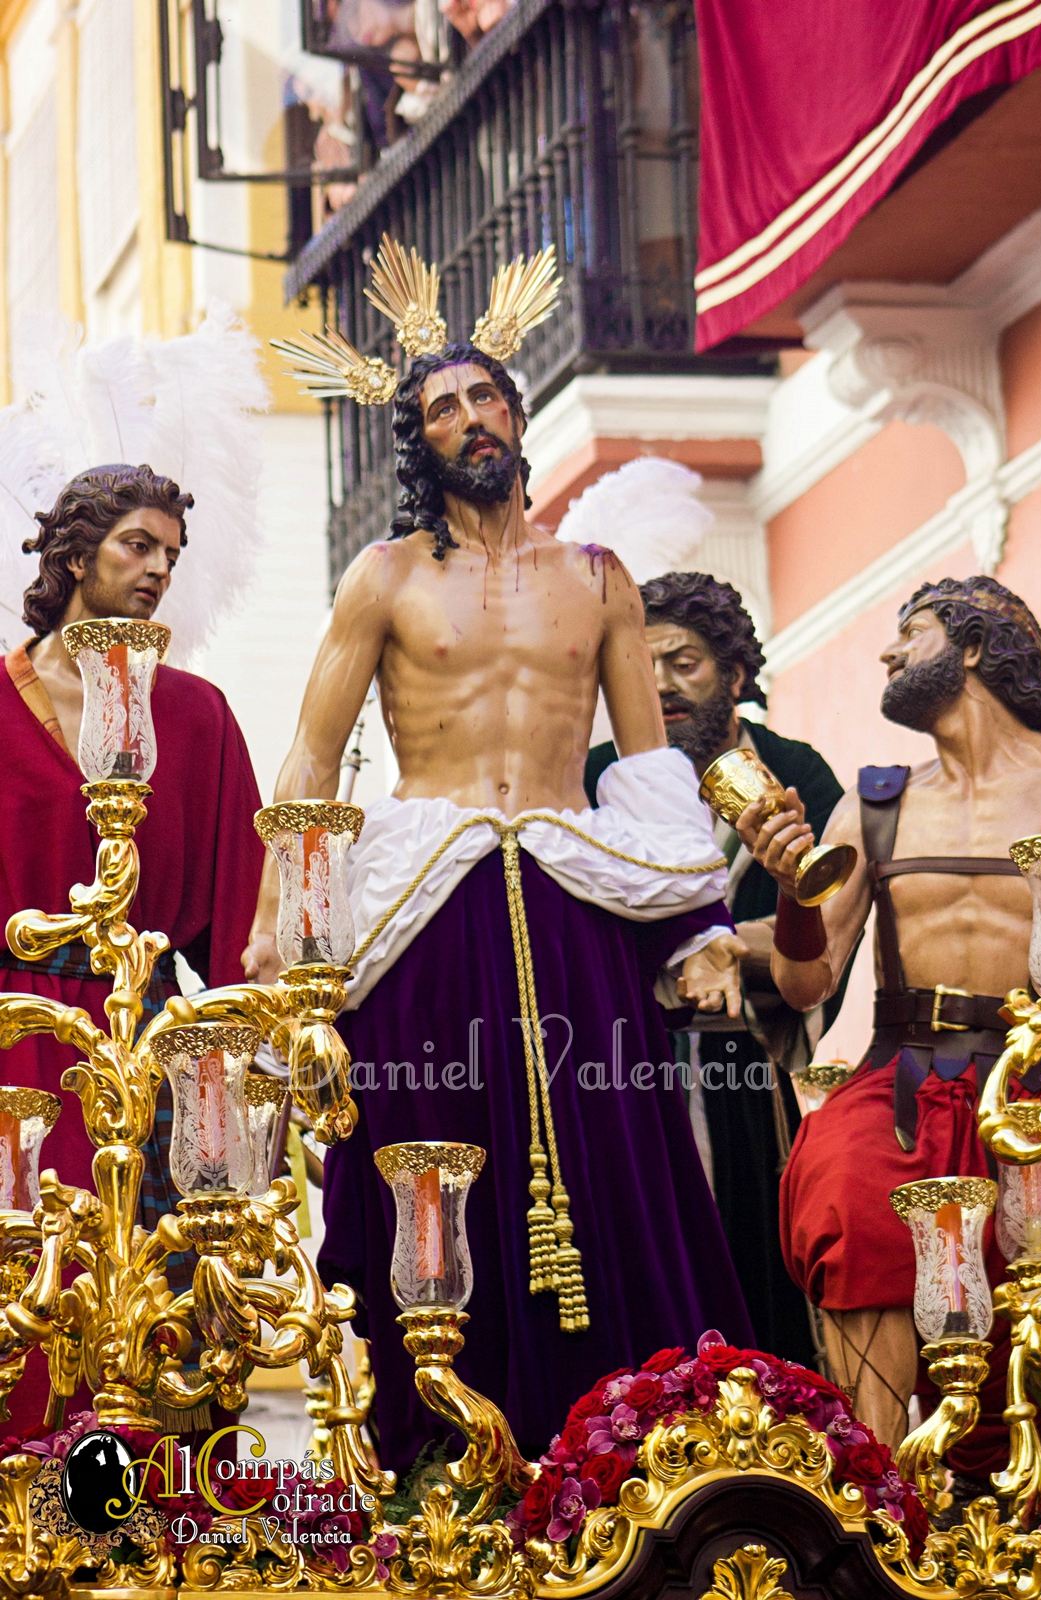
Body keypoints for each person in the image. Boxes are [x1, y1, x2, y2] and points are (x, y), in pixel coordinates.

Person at [245, 345, 754, 1473]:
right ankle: (441, 1453)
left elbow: (647, 766)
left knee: (613, 1154)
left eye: (484, 397)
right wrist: (281, 926)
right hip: (426, 902)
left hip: (574, 898)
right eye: (442, 407)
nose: (468, 417)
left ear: (516, 419)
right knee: (424, 1151)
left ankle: (630, 1445)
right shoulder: (385, 576)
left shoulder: (598, 577)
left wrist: (699, 927)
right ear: (419, 441)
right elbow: (313, 757)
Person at [739, 576, 1041, 1465]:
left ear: (973, 647)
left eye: (910, 631)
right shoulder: (875, 803)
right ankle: (877, 1489)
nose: (886, 651)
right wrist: (791, 890)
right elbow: (806, 983)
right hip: (903, 1079)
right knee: (846, 1185)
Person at [0, 464, 263, 1428]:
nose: (158, 570)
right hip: (15, 1036)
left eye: (171, 556)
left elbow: (241, 916)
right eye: (137, 546)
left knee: (160, 1309)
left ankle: (158, 1504)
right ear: (75, 555)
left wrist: (243, 1078)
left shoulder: (196, 716)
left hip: (149, 1046)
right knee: (27, 1284)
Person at [585, 570, 846, 1364]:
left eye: (685, 662)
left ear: (734, 673)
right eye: (642, 665)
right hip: (628, 1067)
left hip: (749, 1066)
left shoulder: (794, 771)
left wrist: (707, 940)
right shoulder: (596, 774)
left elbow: (825, 928)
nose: (661, 684)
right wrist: (701, 944)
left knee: (759, 1275)